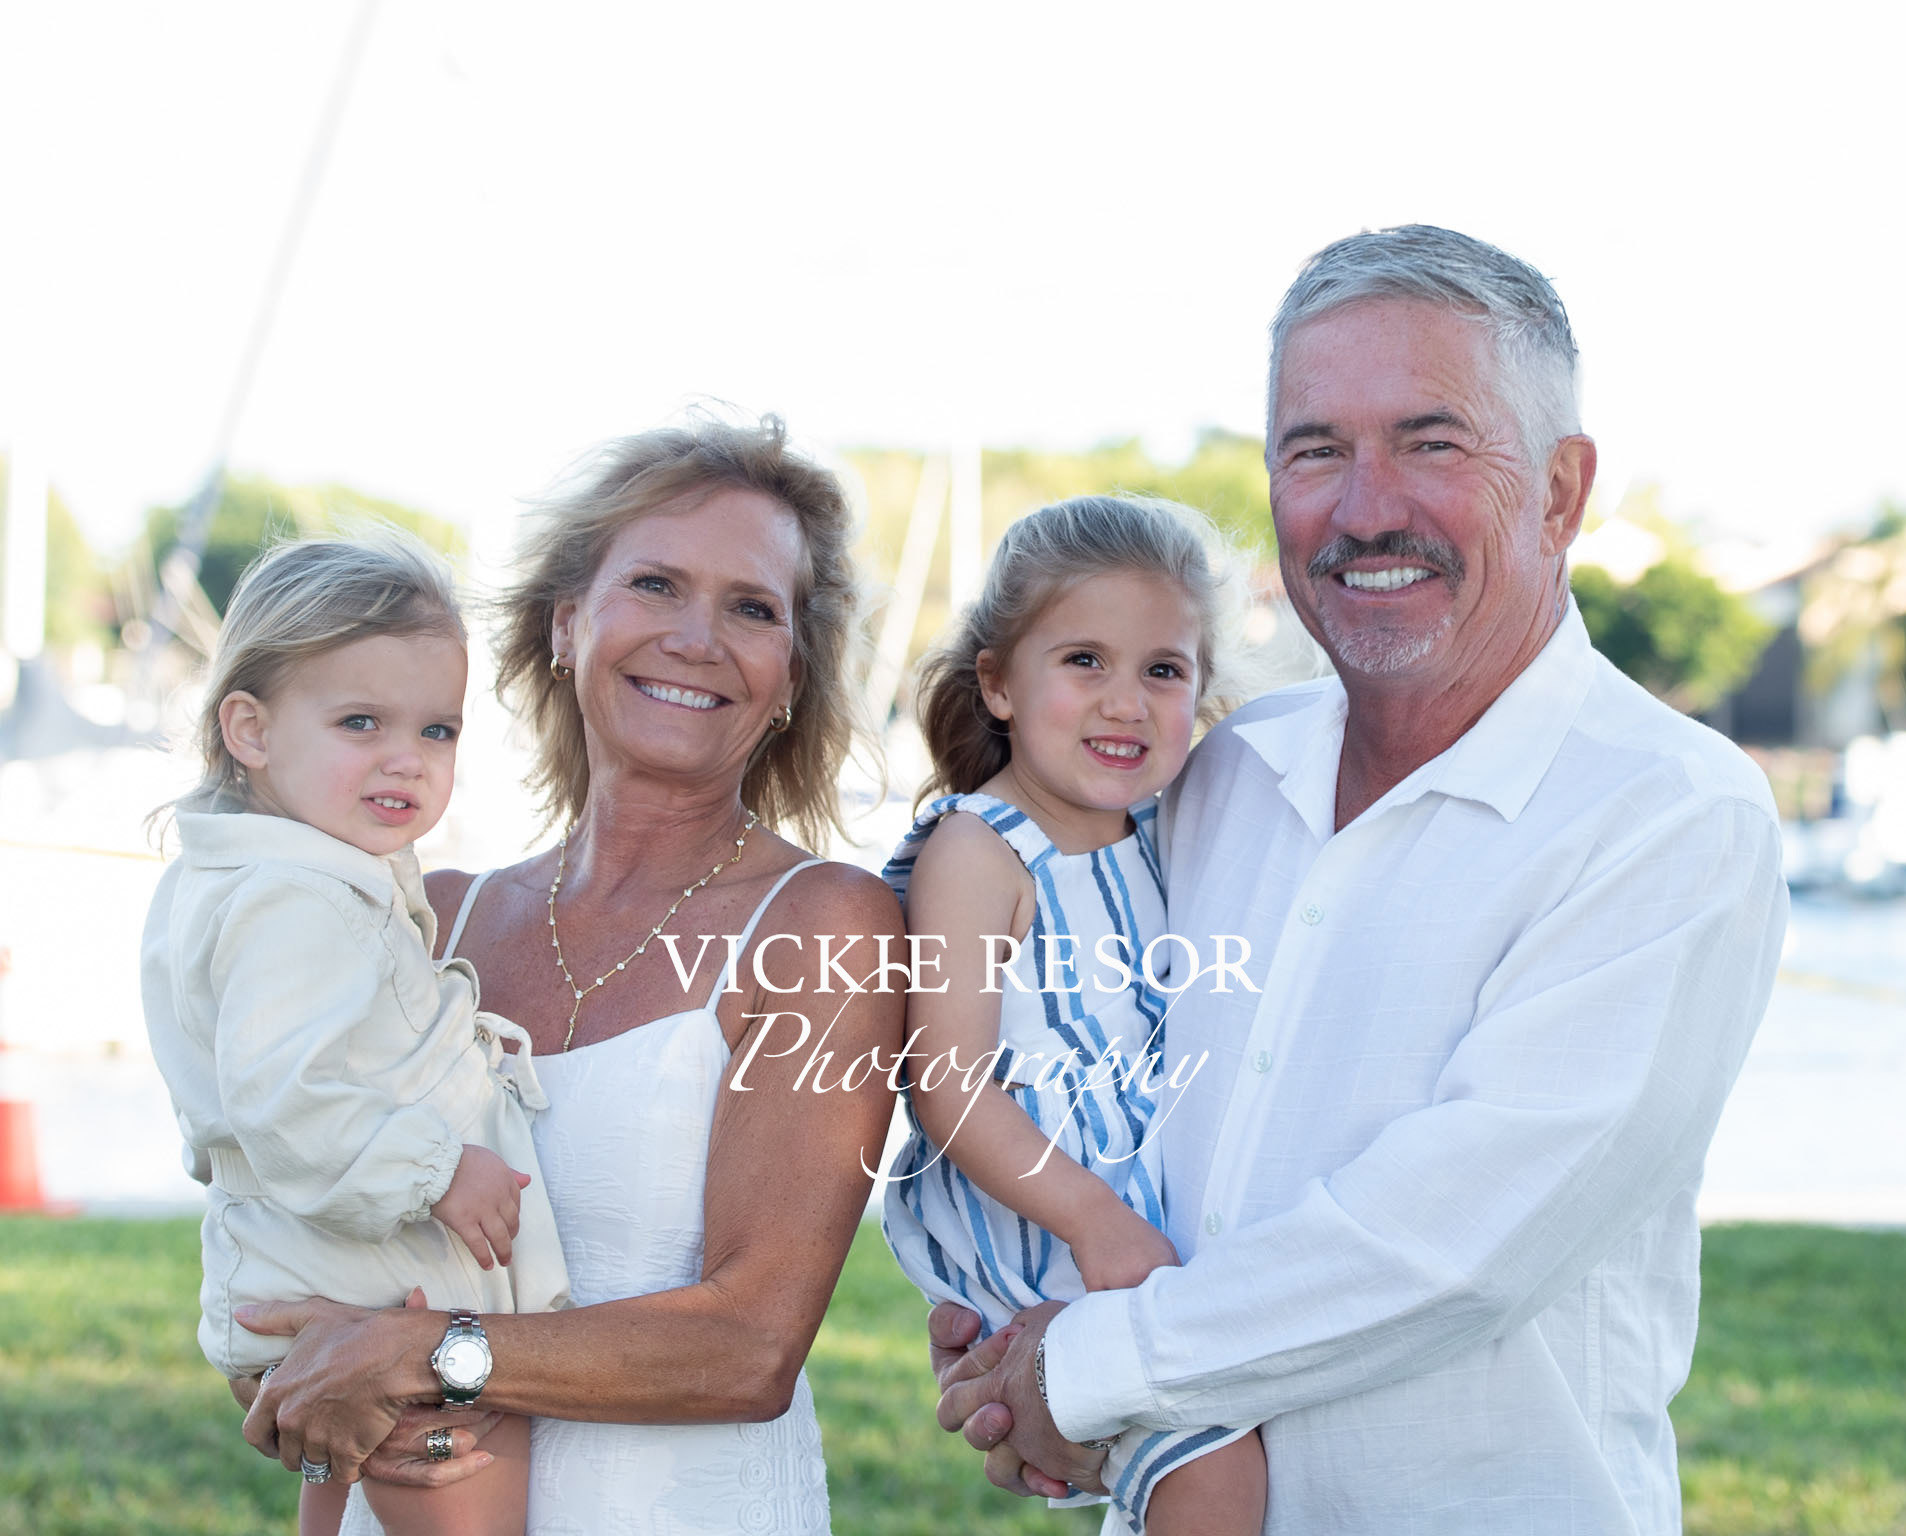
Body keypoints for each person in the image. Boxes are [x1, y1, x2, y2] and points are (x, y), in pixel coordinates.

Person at [933, 225, 1791, 1534]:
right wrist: (1009, 1320)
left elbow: (1450, 1246)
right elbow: (1066, 1049)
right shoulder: (1213, 776)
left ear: (1561, 492)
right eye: (1315, 450)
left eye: (1431, 443)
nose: (1365, 509)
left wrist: (1084, 1369)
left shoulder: (1667, 814)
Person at [232, 416, 905, 1535]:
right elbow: (323, 1284)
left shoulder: (822, 924)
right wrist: (308, 1399)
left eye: (752, 608)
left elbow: (750, 1347)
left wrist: (428, 1354)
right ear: (565, 622)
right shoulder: (430, 916)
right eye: (655, 584)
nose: (696, 637)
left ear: (791, 674)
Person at [140, 533, 570, 1536]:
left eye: (437, 729)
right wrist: (438, 1169)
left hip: (324, 1272)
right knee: (470, 1497)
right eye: (360, 721)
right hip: (371, 1287)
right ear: (249, 729)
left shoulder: (258, 874)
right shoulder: (297, 899)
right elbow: (283, 1099)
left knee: (346, 1503)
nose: (405, 758)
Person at [881, 495, 1266, 1534]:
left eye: (1164, 670)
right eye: (1084, 660)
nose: (1126, 702)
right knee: (1215, 1477)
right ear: (999, 682)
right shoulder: (981, 850)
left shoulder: (1165, 831)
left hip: (1149, 1226)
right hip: (1056, 1225)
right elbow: (947, 1088)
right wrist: (1095, 1220)